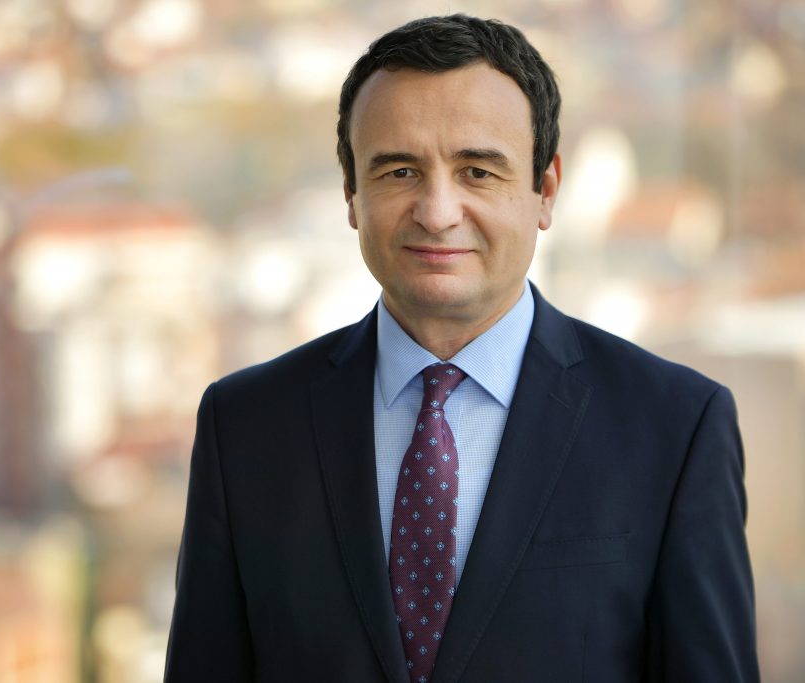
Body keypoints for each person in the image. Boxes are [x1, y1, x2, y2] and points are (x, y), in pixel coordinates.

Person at [164, 14, 759, 683]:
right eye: (399, 171)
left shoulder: (675, 427)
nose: (437, 211)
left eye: (477, 171)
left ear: (546, 190)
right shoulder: (245, 426)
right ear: (351, 195)